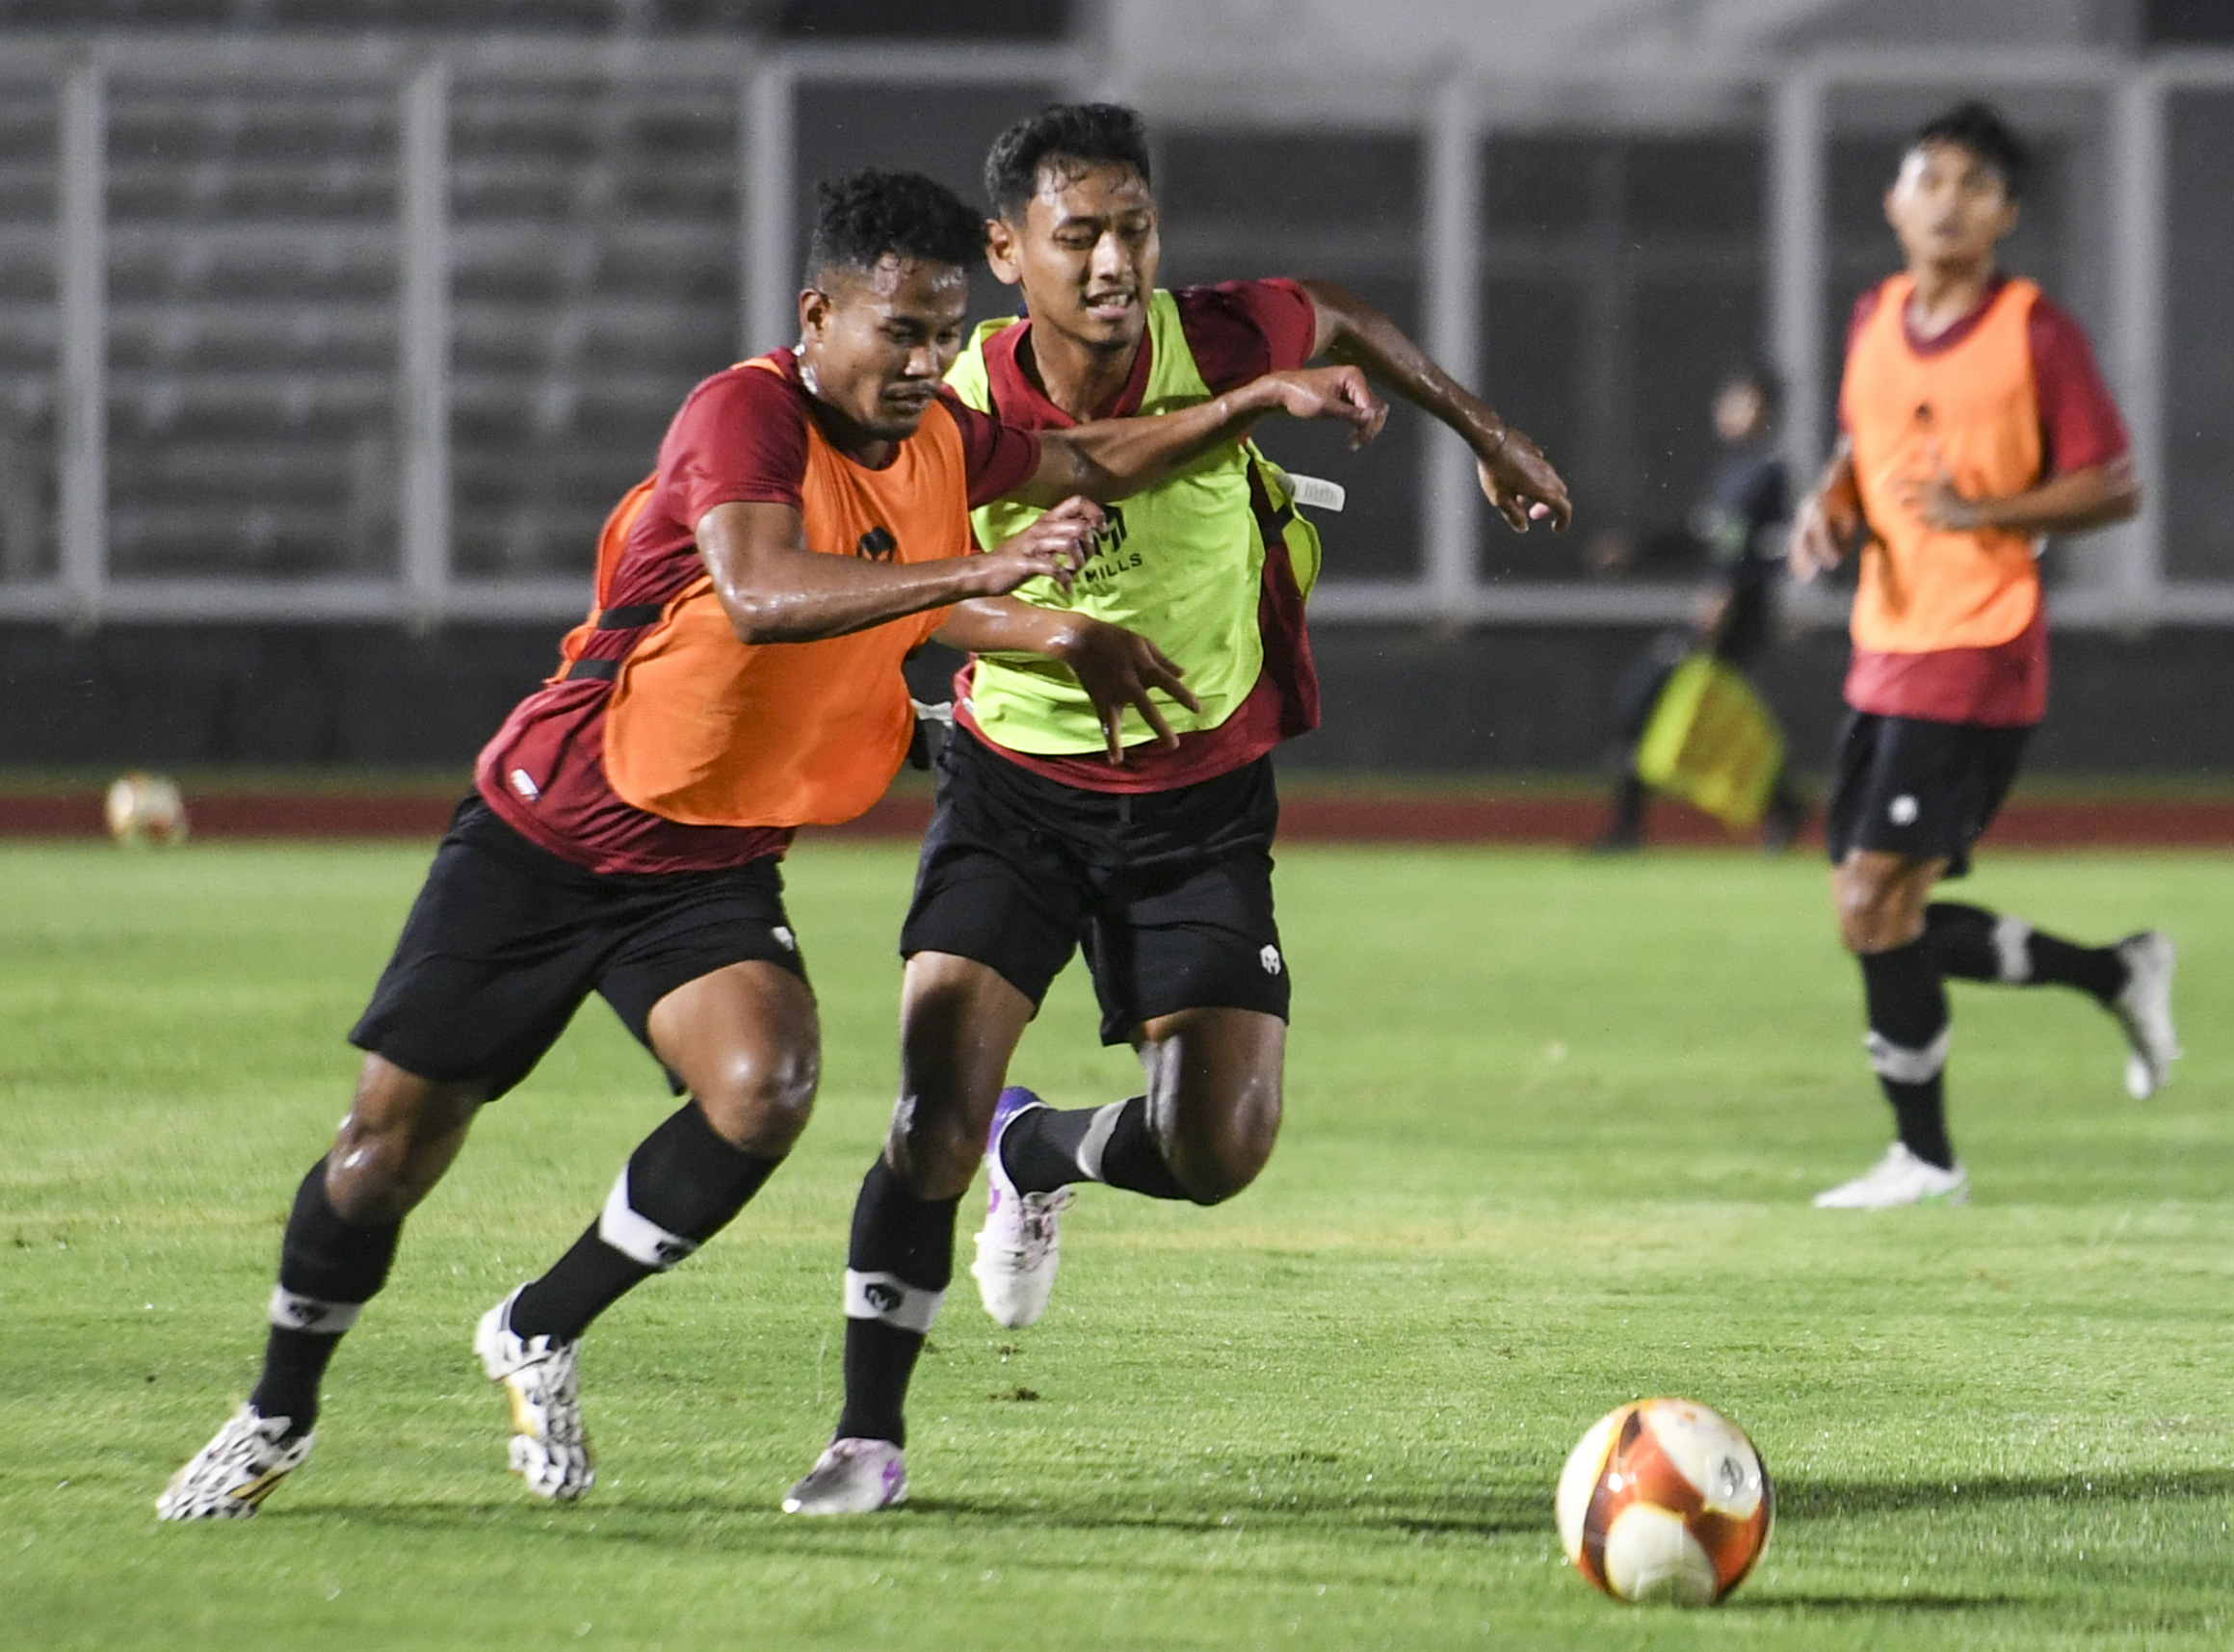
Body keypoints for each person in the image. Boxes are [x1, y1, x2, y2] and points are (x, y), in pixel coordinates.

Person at [155, 168, 1381, 1520]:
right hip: (551, 830)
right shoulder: (745, 411)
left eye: (939, 332)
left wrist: (1255, 404)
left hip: (710, 862)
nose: (922, 361)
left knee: (768, 1084)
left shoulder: (941, 439)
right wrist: (987, 575)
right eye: (894, 330)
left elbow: (1091, 460)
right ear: (818, 315)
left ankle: (540, 1322)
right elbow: (760, 590)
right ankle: (276, 1411)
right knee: (388, 1148)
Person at [782, 102, 1570, 1514]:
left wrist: (1488, 435)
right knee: (925, 1114)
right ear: (1005, 246)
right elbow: (917, 596)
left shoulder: (1217, 336)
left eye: (1132, 229)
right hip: (1014, 785)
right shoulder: (945, 397)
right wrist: (1043, 637)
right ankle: (864, 1432)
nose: (1109, 262)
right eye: (1076, 234)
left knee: (1219, 1145)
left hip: (1202, 795)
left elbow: (1344, 316)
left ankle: (1044, 1151)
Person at [1787, 101, 2179, 1211]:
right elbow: (1862, 443)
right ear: (1894, 199)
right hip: (1885, 640)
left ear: (2005, 212)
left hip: (1979, 641)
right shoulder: (1873, 315)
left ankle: (1927, 1160)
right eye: (1930, 178)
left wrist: (1984, 508)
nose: (1947, 200)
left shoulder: (2032, 330)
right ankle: (2115, 971)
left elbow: (2114, 482)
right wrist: (1829, 502)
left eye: (1973, 185)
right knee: (1872, 912)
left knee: (1873, 899)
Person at [1590, 364, 1806, 851]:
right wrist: (1639, 549)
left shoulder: (1767, 473)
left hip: (1730, 623)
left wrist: (1724, 595)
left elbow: (1751, 550)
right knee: (1689, 717)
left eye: (1742, 400)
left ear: (1764, 410)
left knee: (1645, 704)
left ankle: (1629, 828)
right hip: (1714, 617)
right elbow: (1708, 535)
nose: (1727, 409)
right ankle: (1784, 806)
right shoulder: (1734, 470)